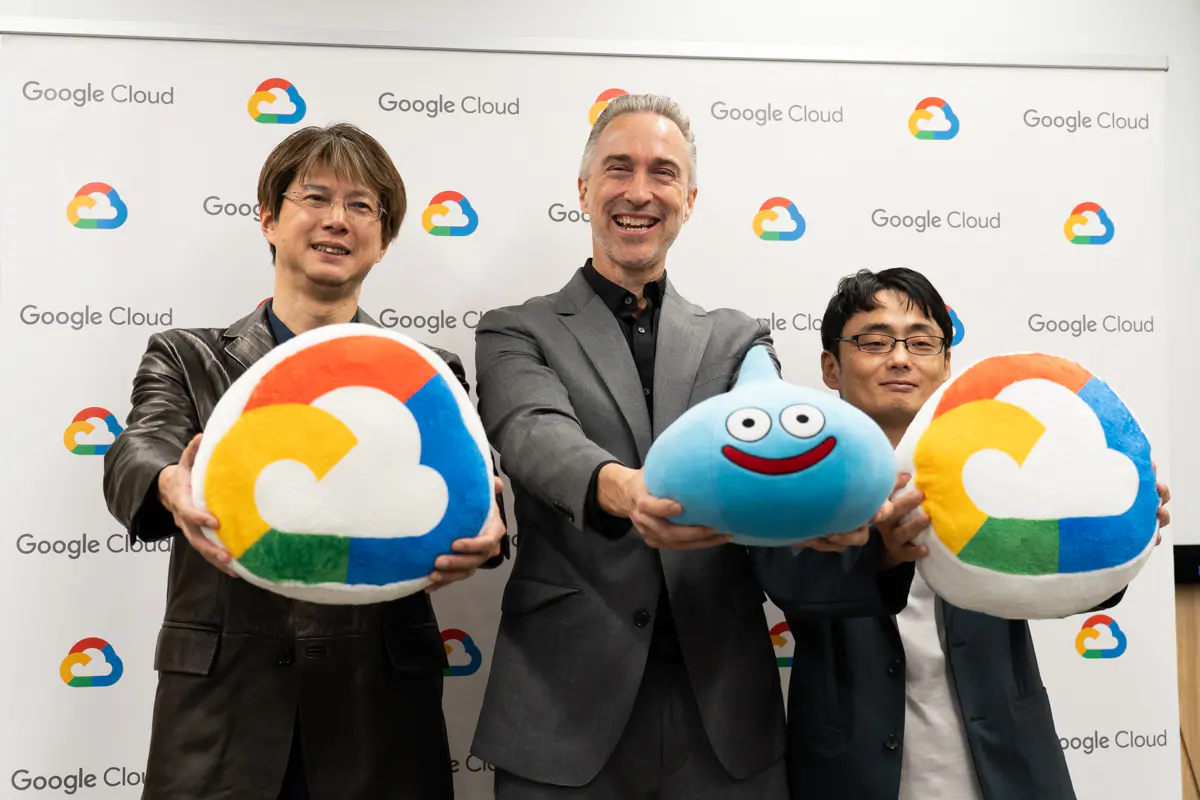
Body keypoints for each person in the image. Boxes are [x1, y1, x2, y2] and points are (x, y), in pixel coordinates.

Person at [470, 93, 902, 800]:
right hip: (561, 711)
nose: (640, 192)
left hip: (726, 716)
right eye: (619, 168)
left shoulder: (737, 338)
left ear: (690, 200)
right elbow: (532, 433)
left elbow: (772, 443)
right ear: (584, 189)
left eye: (663, 173)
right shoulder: (516, 330)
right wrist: (623, 488)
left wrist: (828, 514)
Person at [102, 122, 507, 800]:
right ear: (268, 218)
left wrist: (490, 520)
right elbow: (139, 447)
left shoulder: (430, 371)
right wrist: (171, 480)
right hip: (223, 715)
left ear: (384, 238)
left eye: (361, 205)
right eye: (314, 197)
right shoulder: (187, 355)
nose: (336, 220)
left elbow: (480, 485)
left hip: (377, 716)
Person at [772, 267, 1171, 799]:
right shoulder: (793, 480)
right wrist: (884, 551)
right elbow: (793, 585)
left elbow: (1057, 579)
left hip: (1010, 769)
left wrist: (1117, 534)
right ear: (831, 366)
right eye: (874, 341)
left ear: (946, 365)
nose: (900, 358)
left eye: (921, 342)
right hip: (855, 774)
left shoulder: (998, 470)